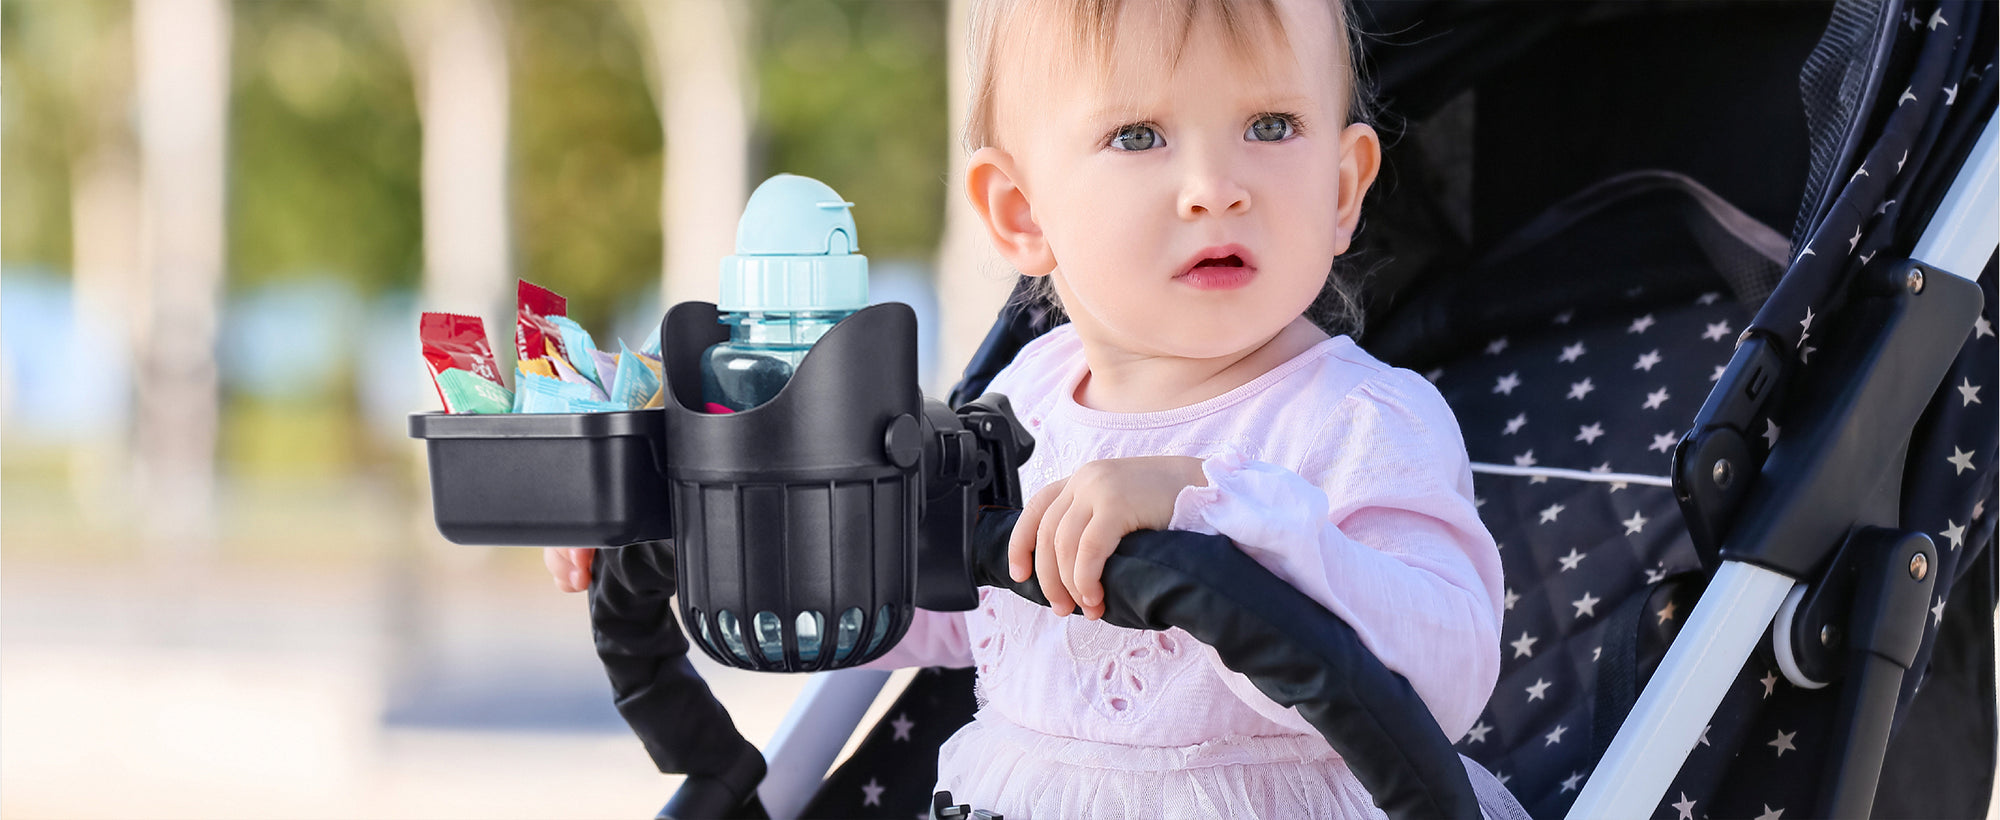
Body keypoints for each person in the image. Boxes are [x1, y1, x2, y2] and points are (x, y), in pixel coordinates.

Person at [550, 0, 1503, 816]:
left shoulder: (1363, 422)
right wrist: (711, 514)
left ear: (1343, 188)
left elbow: (1448, 680)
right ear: (1022, 215)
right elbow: (952, 614)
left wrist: (1214, 509)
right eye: (1140, 136)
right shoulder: (1032, 398)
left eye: (1271, 127)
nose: (1217, 189)